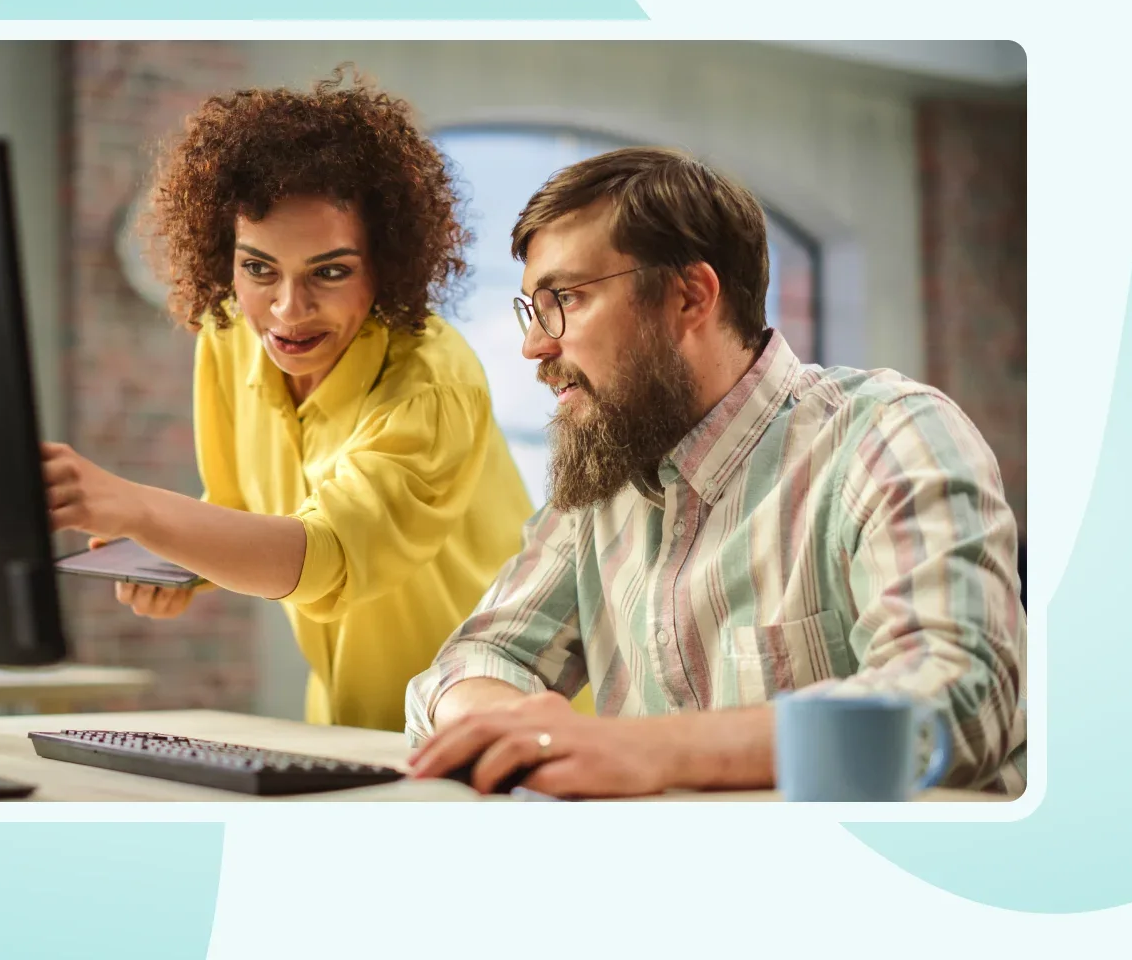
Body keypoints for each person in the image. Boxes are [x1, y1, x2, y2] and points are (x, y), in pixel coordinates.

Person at [404, 147, 1027, 797]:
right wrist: (523, 730)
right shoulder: (607, 473)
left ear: (690, 296)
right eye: (533, 308)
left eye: (566, 298)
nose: (535, 345)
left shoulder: (892, 435)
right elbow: (478, 659)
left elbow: (956, 700)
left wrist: (649, 750)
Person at [40, 69, 537, 732]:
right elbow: (241, 506)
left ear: (385, 263)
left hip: (500, 734)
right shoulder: (228, 335)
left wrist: (138, 507)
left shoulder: (430, 384)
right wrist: (180, 561)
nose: (286, 310)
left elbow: (324, 556)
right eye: (258, 268)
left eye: (329, 272)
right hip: (348, 726)